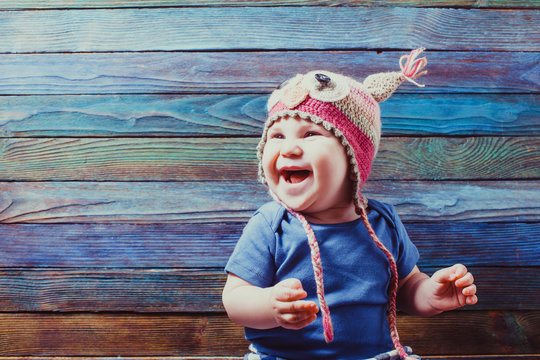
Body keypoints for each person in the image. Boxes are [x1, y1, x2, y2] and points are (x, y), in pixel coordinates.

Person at [222, 49, 478, 360]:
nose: (288, 148)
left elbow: (406, 287)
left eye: (310, 133)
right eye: (276, 135)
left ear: (353, 158)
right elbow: (234, 298)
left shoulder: (383, 222)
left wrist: (431, 296)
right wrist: (270, 307)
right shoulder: (271, 225)